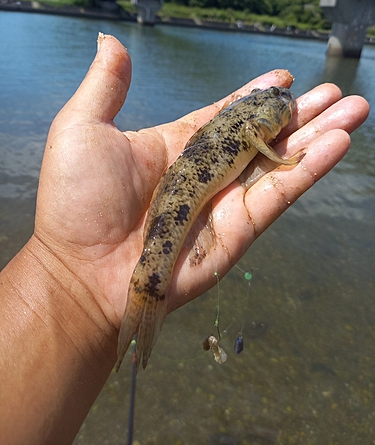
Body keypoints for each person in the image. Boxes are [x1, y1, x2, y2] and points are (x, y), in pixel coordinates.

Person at [0, 33, 369, 444]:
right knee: (161, 251)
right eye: (280, 105)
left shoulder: (246, 124)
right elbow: (269, 149)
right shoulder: (252, 129)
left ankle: (140, 300)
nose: (286, 105)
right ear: (256, 129)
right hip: (185, 194)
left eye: (283, 105)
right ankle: (147, 290)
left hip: (187, 188)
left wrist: (73, 288)